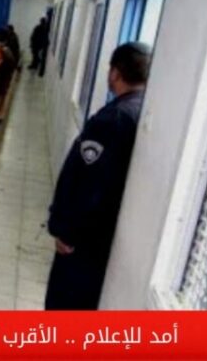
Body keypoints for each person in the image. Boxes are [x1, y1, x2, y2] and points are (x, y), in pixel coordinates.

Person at [45, 43, 151, 310]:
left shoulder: (114, 119)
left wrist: (66, 231)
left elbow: (90, 184)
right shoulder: (143, 111)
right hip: (103, 241)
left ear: (115, 73)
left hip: (84, 244)